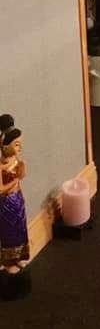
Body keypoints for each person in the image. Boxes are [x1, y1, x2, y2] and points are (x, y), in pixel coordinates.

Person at [0, 115, 29, 274]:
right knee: (8, 231)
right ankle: (8, 261)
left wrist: (21, 171)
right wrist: (15, 180)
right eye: (17, 145)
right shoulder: (2, 166)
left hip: (17, 199)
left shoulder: (14, 160)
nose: (20, 148)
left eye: (20, 144)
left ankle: (18, 257)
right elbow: (1, 188)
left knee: (19, 227)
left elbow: (19, 177)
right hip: (6, 203)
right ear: (5, 147)